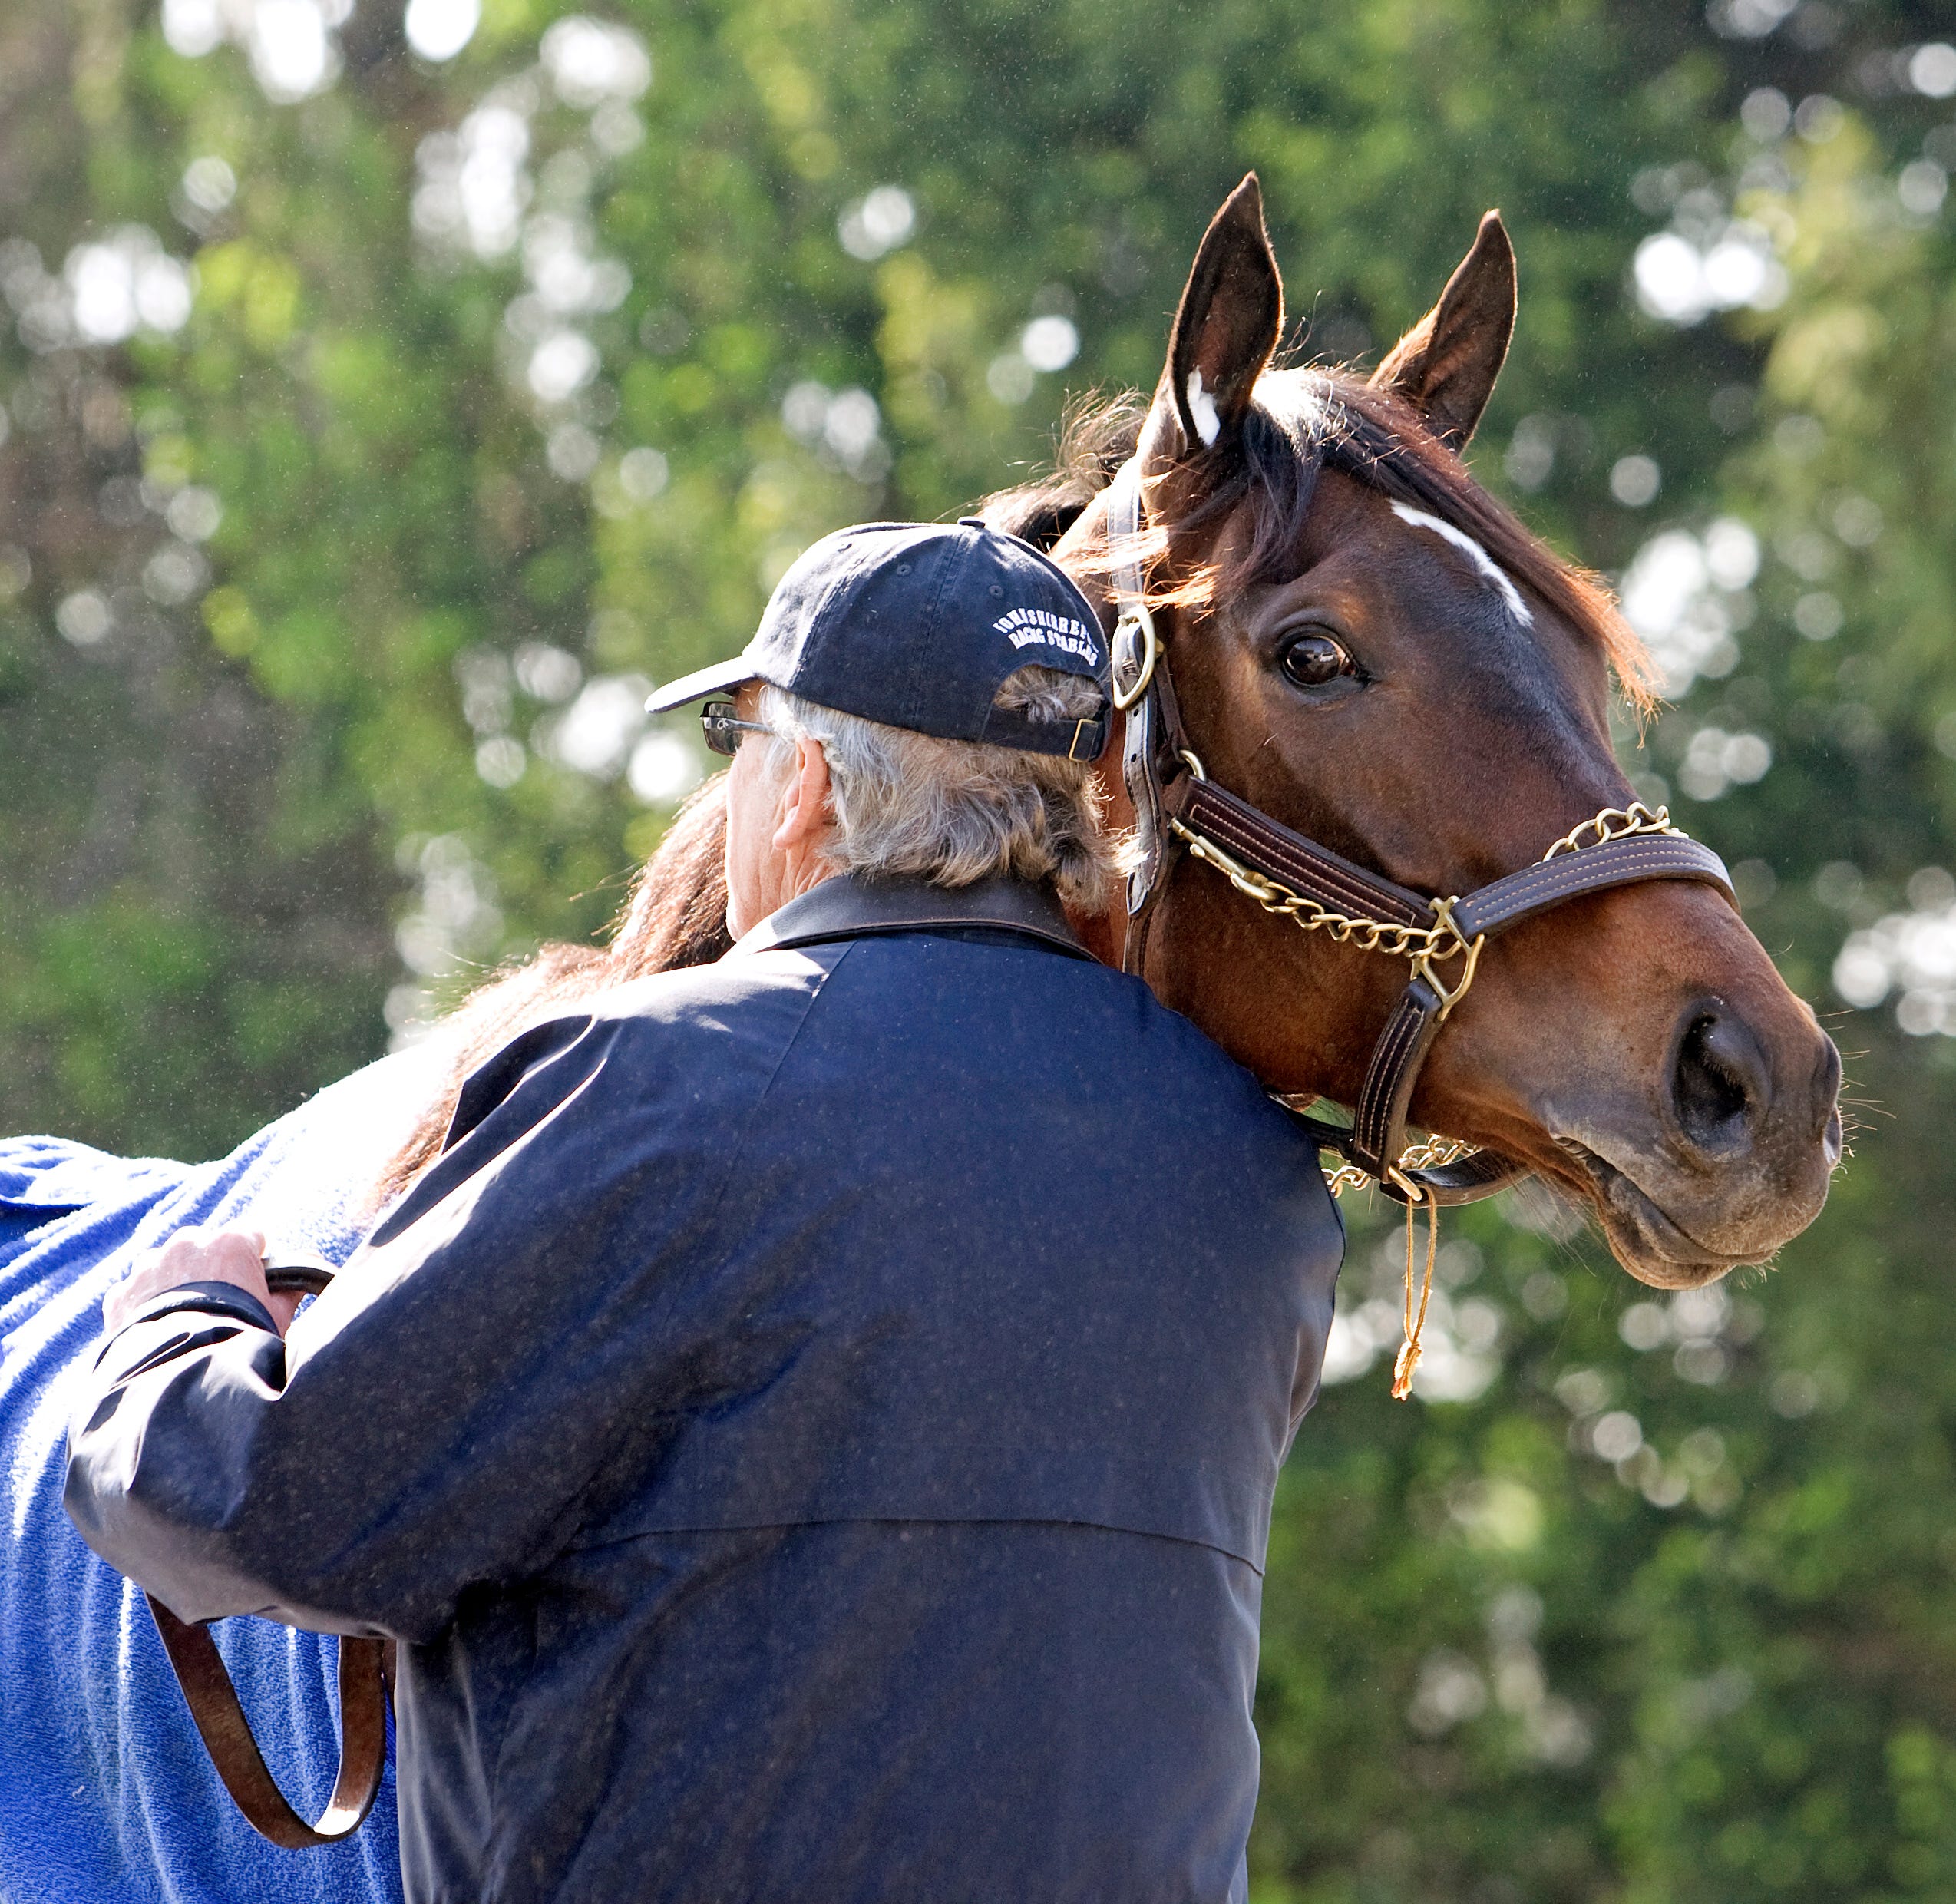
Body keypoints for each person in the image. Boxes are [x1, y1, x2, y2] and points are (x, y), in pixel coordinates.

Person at [66, 517, 1343, 1904]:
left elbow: (267, 1512)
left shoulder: (655, 1083)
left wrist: (175, 1326)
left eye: (735, 741)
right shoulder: (1256, 1181)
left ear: (800, 785)